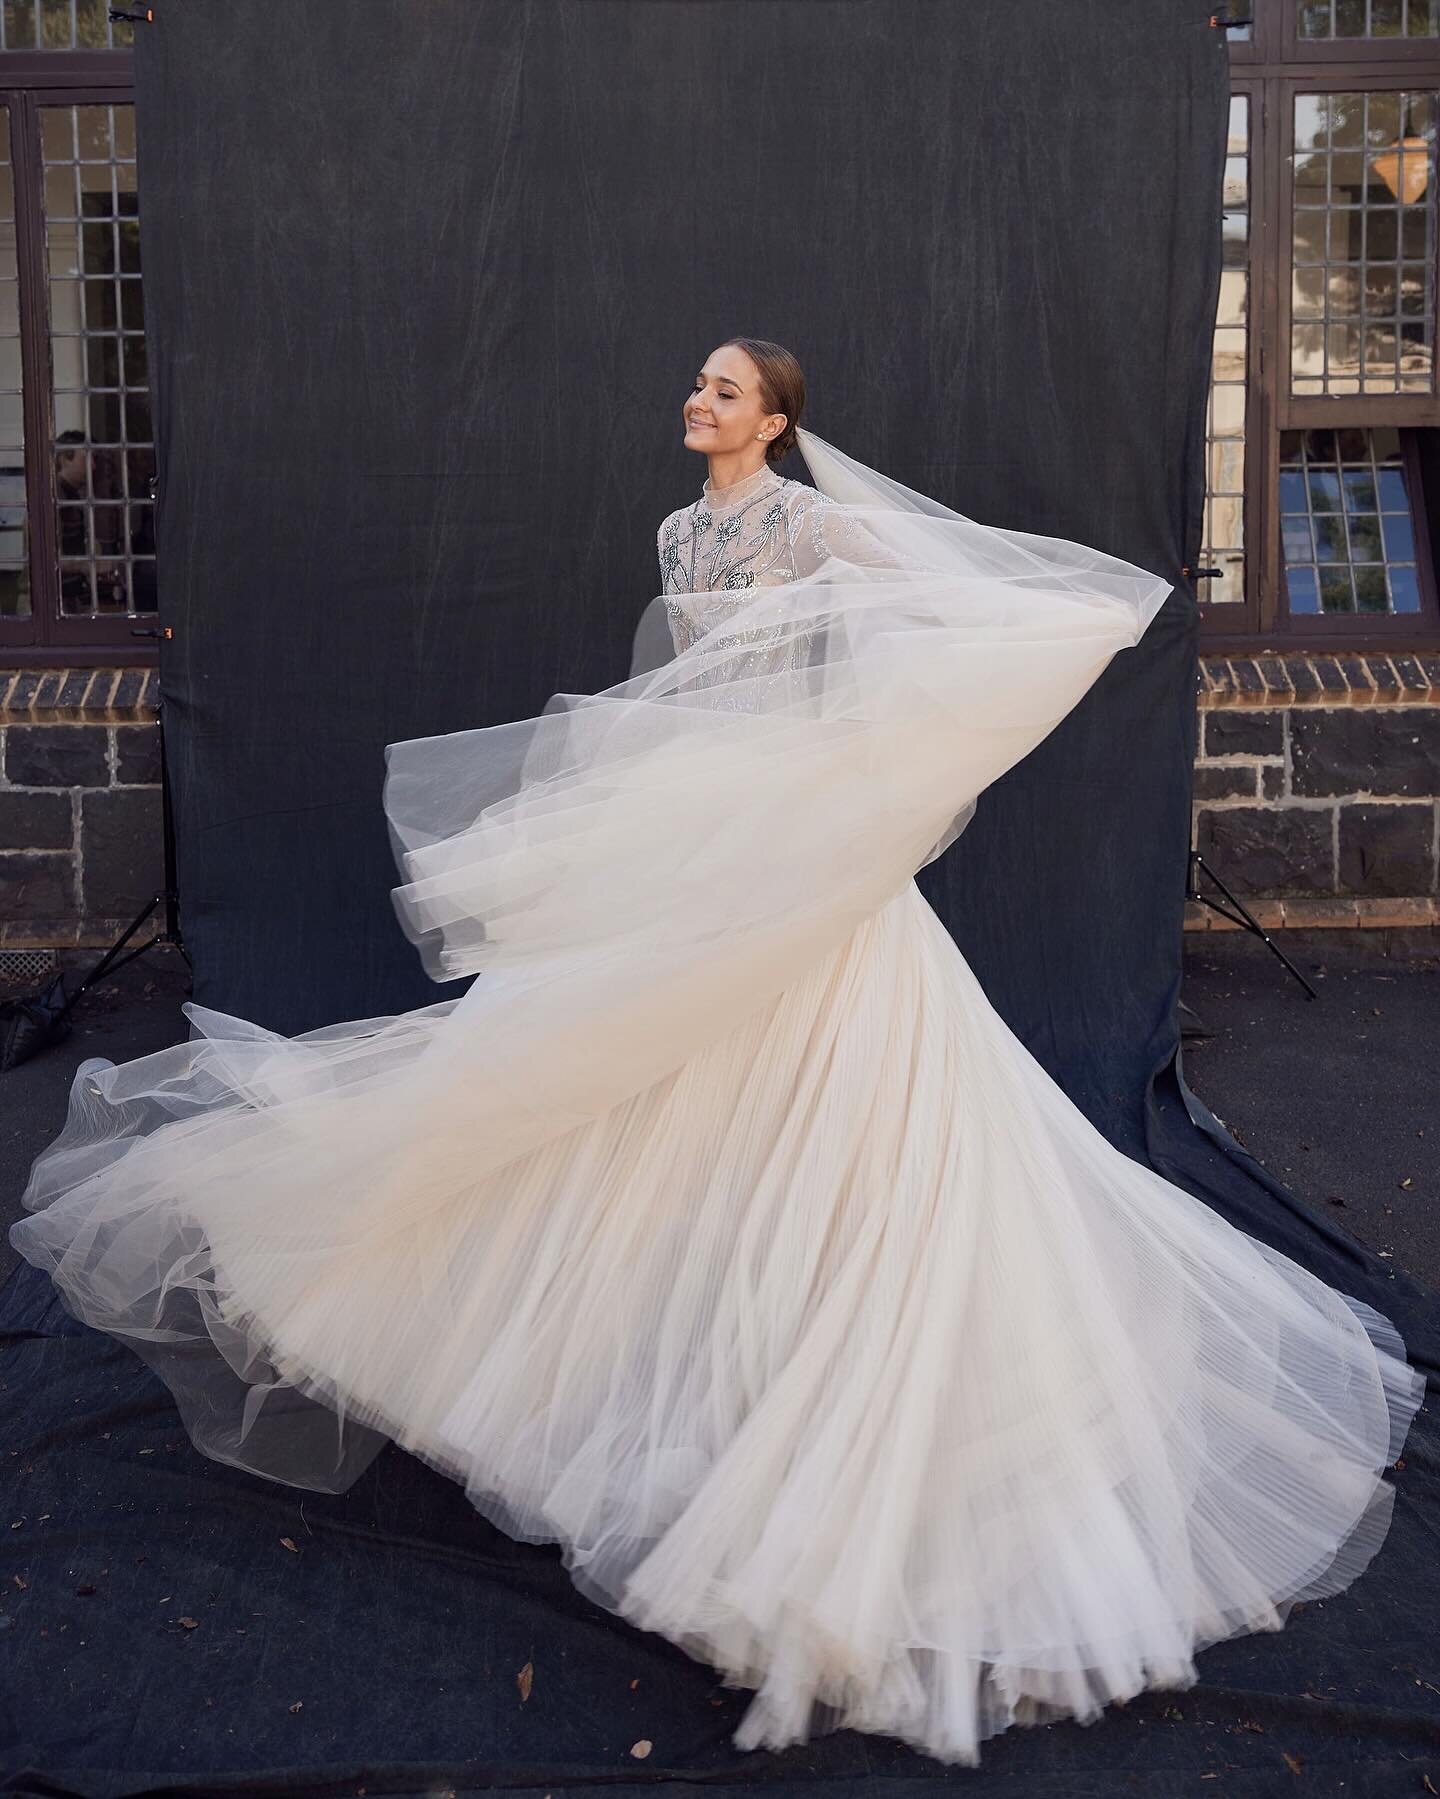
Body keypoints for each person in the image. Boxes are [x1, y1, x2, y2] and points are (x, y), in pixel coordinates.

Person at [10, 337, 1424, 1769]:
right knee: (627, 1066)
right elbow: (683, 679)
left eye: (727, 391)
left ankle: (834, 1356)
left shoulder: (811, 519)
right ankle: (686, 1332)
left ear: (778, 419)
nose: (700, 402)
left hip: (803, 845)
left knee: (841, 1088)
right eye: (698, 385)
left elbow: (926, 620)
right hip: (707, 828)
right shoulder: (681, 526)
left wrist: (856, 772)